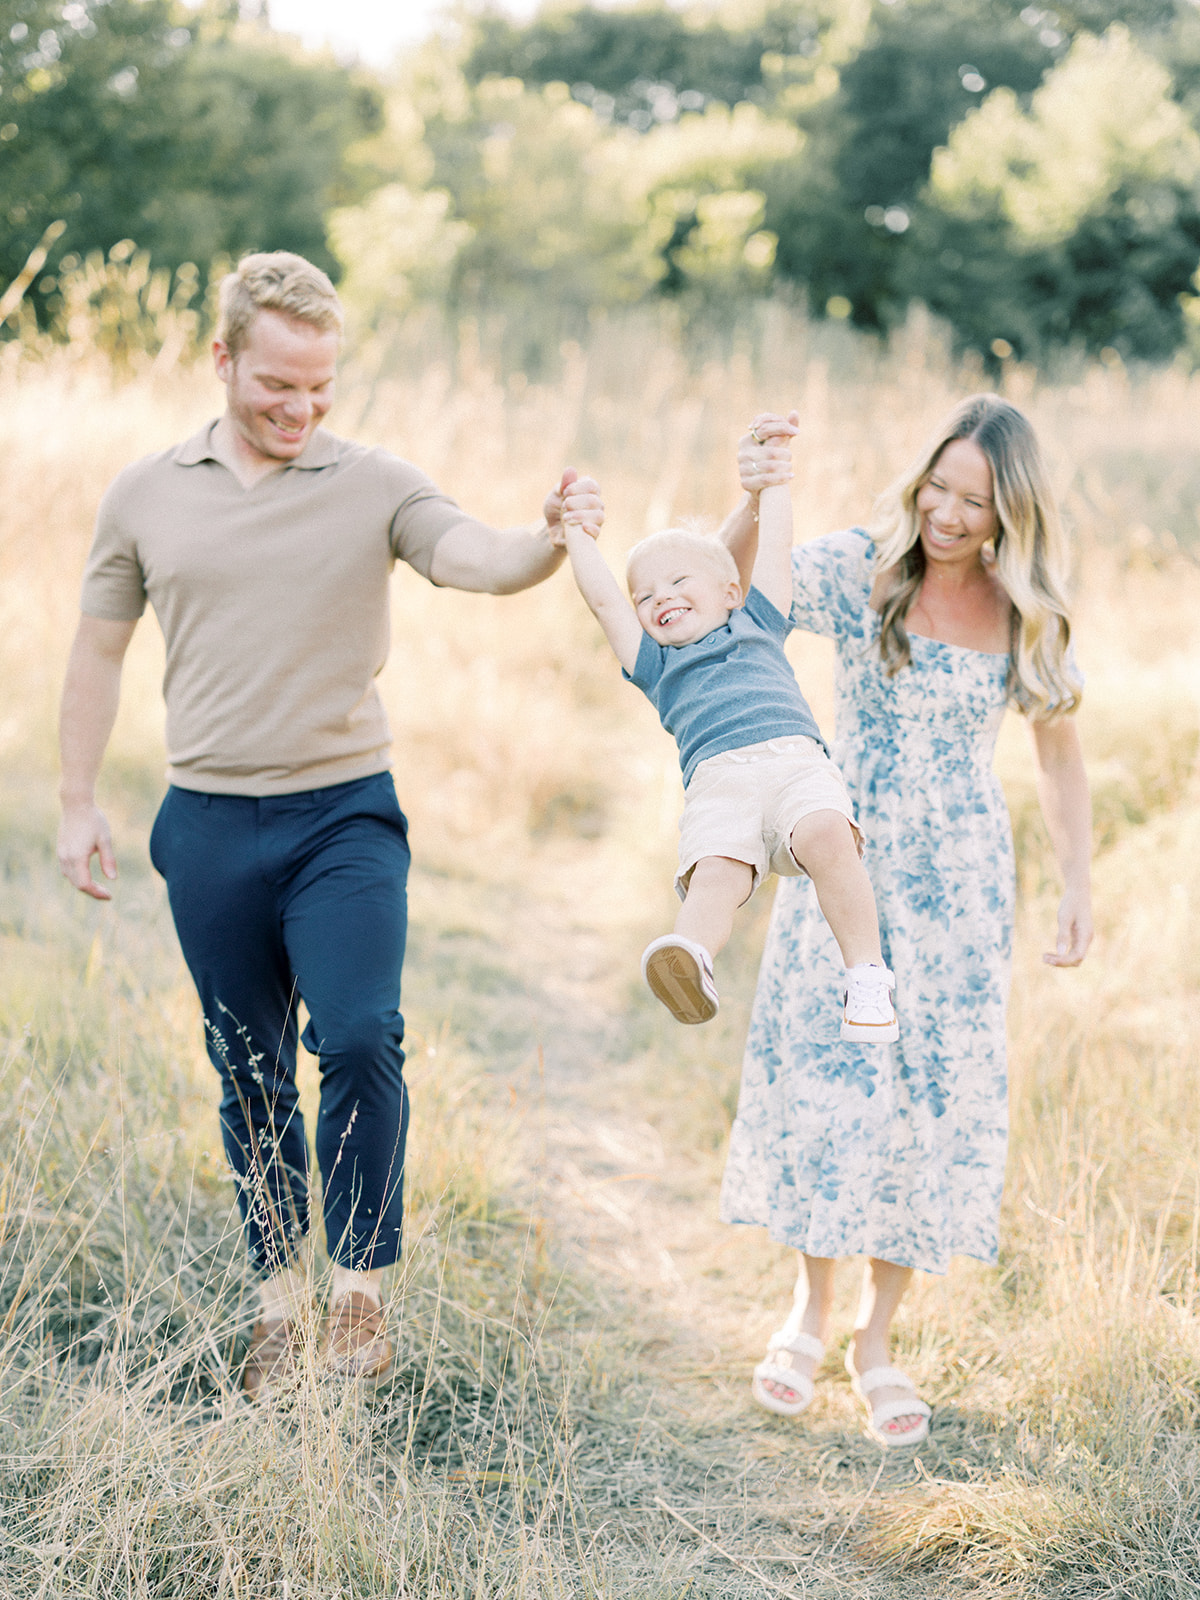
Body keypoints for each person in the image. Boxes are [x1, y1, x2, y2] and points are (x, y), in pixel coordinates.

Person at [57, 251, 603, 1401]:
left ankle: (360, 1283)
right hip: (205, 821)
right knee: (247, 1070)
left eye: (322, 388)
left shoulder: (376, 483)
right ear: (222, 360)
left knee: (358, 1034)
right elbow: (98, 647)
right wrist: (75, 800)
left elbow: (479, 558)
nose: (301, 410)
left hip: (343, 814)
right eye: (277, 387)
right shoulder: (146, 492)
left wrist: (548, 536)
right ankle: (279, 1305)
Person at [718, 396, 1092, 1447]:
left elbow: (1059, 754)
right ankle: (809, 1310)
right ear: (918, 476)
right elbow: (736, 592)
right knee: (834, 1084)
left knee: (928, 1104)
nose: (948, 512)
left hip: (961, 890)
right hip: (848, 872)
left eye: (975, 500)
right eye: (939, 485)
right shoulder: (861, 567)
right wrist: (755, 496)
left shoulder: (1028, 613)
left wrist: (1077, 885)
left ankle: (879, 1339)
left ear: (1009, 513)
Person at [561, 474, 897, 1041]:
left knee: (828, 836)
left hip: (795, 765)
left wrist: (778, 478)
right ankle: (690, 960)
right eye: (644, 595)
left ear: (729, 593)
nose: (659, 596)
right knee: (715, 874)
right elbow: (600, 597)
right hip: (720, 784)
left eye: (676, 581)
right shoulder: (654, 664)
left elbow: (777, 541)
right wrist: (576, 532)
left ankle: (866, 980)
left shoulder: (760, 619)